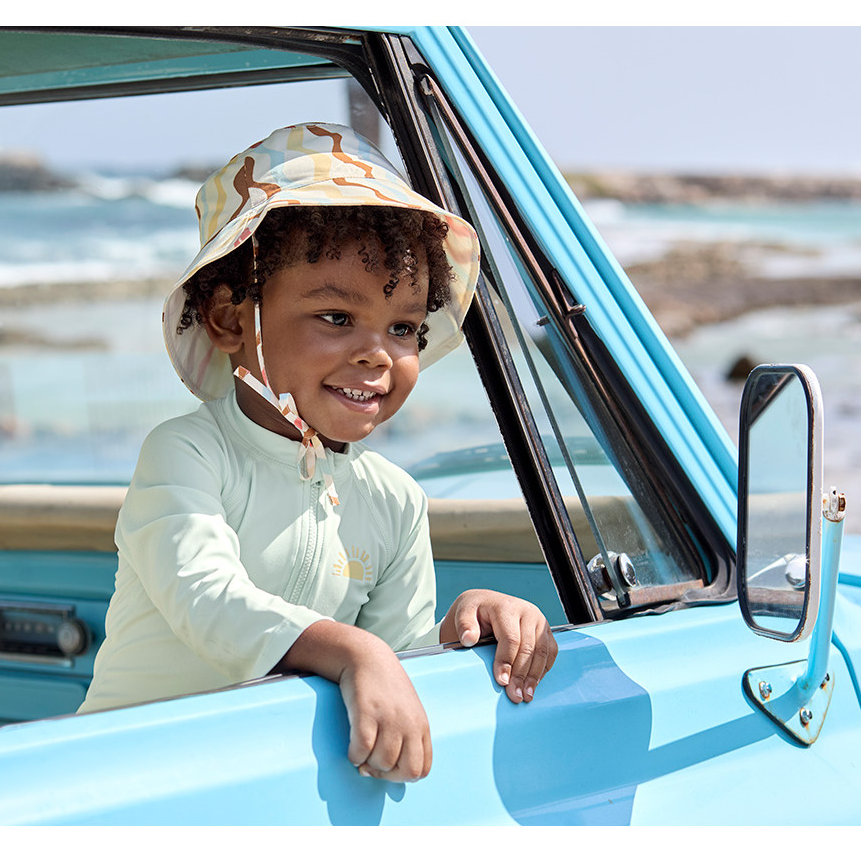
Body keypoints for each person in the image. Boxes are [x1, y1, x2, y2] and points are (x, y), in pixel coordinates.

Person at [77, 122, 558, 781]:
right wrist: (356, 651)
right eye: (337, 318)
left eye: (403, 327)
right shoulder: (188, 453)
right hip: (122, 775)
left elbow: (395, 665)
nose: (377, 354)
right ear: (229, 319)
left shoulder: (395, 500)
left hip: (273, 779)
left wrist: (463, 626)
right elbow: (208, 600)